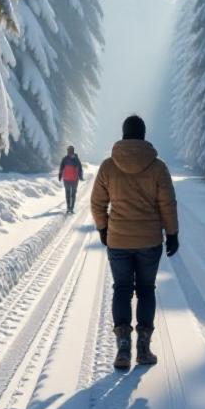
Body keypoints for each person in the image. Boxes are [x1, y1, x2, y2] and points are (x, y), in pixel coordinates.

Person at [90, 113, 179, 370]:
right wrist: (172, 234)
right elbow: (167, 204)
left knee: (121, 289)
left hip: (118, 240)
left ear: (123, 134)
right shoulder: (158, 167)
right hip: (149, 240)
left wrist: (103, 228)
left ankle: (123, 348)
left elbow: (97, 203)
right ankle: (143, 348)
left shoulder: (108, 166)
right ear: (143, 135)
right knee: (146, 290)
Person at [58, 144, 84, 214]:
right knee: (73, 194)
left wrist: (60, 175)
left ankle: (69, 208)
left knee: (68, 193)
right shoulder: (76, 159)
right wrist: (80, 176)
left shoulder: (65, 159)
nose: (69, 152)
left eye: (69, 150)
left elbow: (61, 168)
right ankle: (71, 208)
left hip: (67, 179)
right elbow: (80, 168)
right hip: (74, 179)